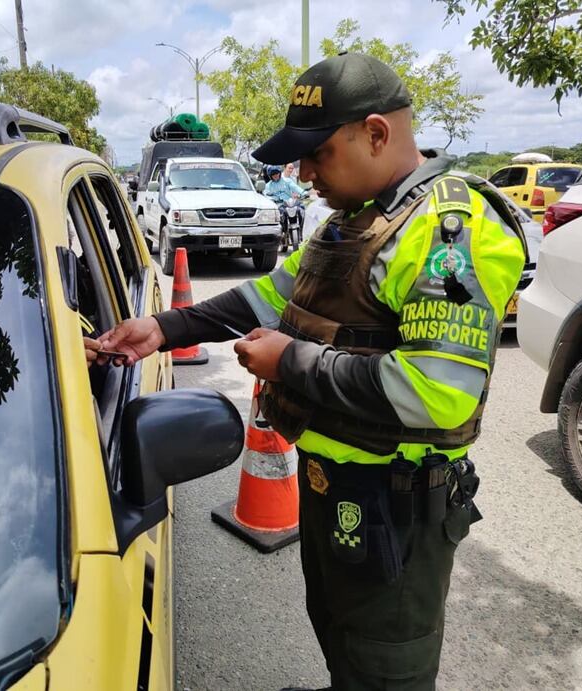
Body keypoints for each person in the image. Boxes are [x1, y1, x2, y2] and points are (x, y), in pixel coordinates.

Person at [99, 51, 525, 690]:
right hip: (333, 485)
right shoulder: (354, 221)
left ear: (376, 134)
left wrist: (289, 362)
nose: (301, 173)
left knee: (386, 665)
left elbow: (440, 394)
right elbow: (270, 295)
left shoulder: (446, 232)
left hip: (397, 504)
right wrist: (164, 329)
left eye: (316, 154)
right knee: (338, 630)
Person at [264, 165, 308, 247]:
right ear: (270, 176)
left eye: (277, 173)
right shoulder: (268, 186)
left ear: (280, 173)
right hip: (279, 204)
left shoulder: (287, 181)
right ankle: (283, 232)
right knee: (282, 213)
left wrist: (303, 193)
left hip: (290, 202)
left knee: (300, 209)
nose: (276, 176)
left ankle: (300, 232)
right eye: (273, 174)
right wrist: (273, 198)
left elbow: (296, 188)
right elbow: (266, 195)